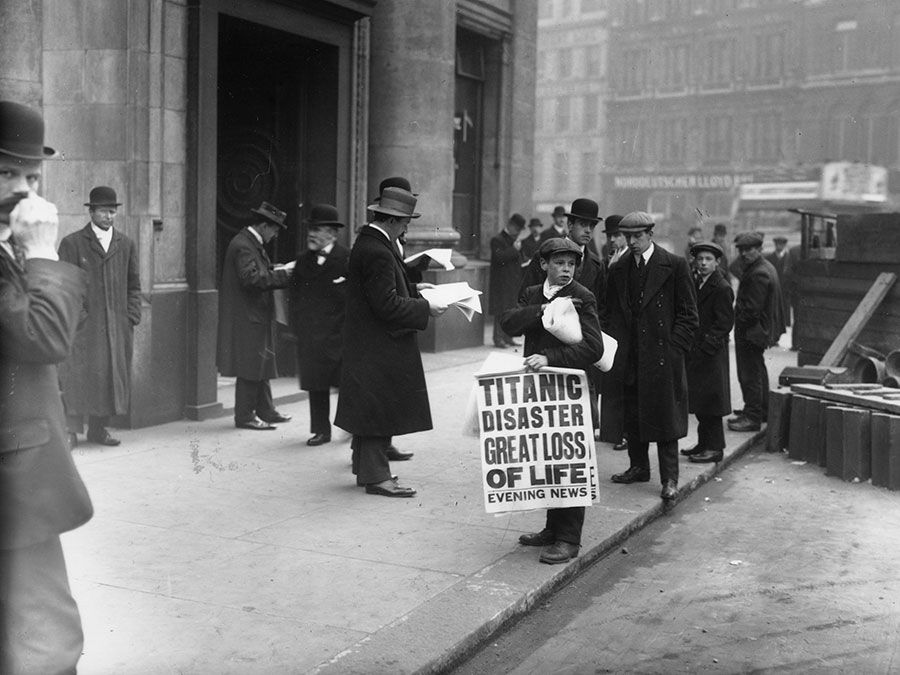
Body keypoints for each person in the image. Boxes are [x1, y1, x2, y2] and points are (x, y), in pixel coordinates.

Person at [0, 100, 93, 674]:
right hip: (14, 473)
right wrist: (41, 252)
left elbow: (65, 326)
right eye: (7, 173)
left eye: (32, 176)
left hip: (19, 466)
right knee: (45, 637)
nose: (23, 191)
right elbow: (47, 338)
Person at [334, 186, 448, 497]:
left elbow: (383, 293)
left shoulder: (373, 243)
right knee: (378, 410)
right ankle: (377, 477)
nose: (407, 228)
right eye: (405, 222)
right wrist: (427, 308)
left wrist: (412, 288)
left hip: (370, 341)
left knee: (372, 407)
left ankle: (367, 469)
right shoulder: (378, 250)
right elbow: (386, 304)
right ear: (393, 221)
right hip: (379, 343)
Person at [501, 238, 604, 564]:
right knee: (547, 456)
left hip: (570, 390)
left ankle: (569, 538)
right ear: (544, 264)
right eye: (559, 263)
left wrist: (548, 356)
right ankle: (551, 527)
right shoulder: (533, 293)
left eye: (571, 264)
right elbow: (508, 322)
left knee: (570, 461)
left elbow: (594, 347)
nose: (566, 269)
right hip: (541, 391)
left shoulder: (582, 296)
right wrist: (541, 310)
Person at [601, 211, 698, 501]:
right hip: (631, 356)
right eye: (627, 236)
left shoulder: (674, 265)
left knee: (665, 420)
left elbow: (689, 315)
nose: (631, 242)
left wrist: (673, 349)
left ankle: (670, 478)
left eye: (637, 236)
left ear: (650, 235)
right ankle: (638, 467)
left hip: (661, 356)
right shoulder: (618, 269)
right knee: (633, 414)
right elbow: (609, 312)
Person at [58, 186, 141, 447]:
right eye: (104, 210)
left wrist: (131, 316)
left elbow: (134, 284)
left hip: (117, 326)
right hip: (84, 327)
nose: (110, 216)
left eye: (113, 211)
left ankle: (98, 429)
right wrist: (79, 318)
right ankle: (70, 431)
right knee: (77, 377)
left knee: (108, 377)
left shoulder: (125, 243)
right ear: (91, 211)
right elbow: (66, 286)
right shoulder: (73, 243)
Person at [520, 198, 607, 435]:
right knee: (541, 424)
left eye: (592, 226)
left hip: (578, 357)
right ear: (570, 225)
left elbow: (600, 311)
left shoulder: (596, 265)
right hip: (542, 351)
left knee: (576, 428)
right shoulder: (546, 255)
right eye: (582, 225)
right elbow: (525, 299)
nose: (588, 231)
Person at [216, 201, 295, 430]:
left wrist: (277, 269)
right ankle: (245, 416)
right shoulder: (244, 245)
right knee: (251, 366)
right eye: (275, 229)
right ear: (263, 226)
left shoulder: (248, 242)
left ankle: (265, 410)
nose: (276, 234)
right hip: (249, 317)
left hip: (254, 315)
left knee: (260, 363)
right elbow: (251, 279)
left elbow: (257, 273)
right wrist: (284, 275)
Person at [288, 204, 349, 446]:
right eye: (310, 229)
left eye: (318, 229)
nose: (311, 234)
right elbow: (293, 299)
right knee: (317, 384)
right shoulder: (303, 261)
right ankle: (321, 430)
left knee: (346, 385)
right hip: (312, 337)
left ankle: (350, 426)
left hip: (339, 336)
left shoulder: (347, 258)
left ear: (333, 234)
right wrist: (298, 330)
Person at [681, 242, 734, 464]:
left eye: (708, 260)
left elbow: (724, 324)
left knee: (712, 404)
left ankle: (715, 448)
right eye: (700, 259)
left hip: (711, 355)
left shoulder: (721, 287)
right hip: (699, 352)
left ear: (717, 262)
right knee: (702, 403)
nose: (703, 263)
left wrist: (706, 347)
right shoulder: (698, 282)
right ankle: (704, 444)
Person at [729, 232, 786, 433]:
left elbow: (752, 310)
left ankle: (752, 417)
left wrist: (738, 321)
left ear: (759, 249)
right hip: (759, 331)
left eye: (749, 249)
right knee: (757, 369)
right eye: (741, 250)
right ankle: (760, 410)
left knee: (749, 373)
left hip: (752, 331)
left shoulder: (758, 273)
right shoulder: (762, 267)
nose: (744, 254)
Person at [489, 213, 526, 348]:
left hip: (512, 282)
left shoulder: (513, 240)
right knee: (501, 311)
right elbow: (500, 258)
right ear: (510, 225)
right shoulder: (497, 240)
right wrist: (514, 250)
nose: (518, 232)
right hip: (501, 283)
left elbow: (518, 260)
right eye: (517, 229)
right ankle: (498, 338)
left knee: (511, 311)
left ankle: (508, 337)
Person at [764, 235, 792, 327]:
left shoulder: (790, 258)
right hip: (773, 288)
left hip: (785, 289)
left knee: (784, 308)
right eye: (777, 244)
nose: (779, 246)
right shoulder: (769, 258)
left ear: (784, 245)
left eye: (781, 244)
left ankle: (785, 324)